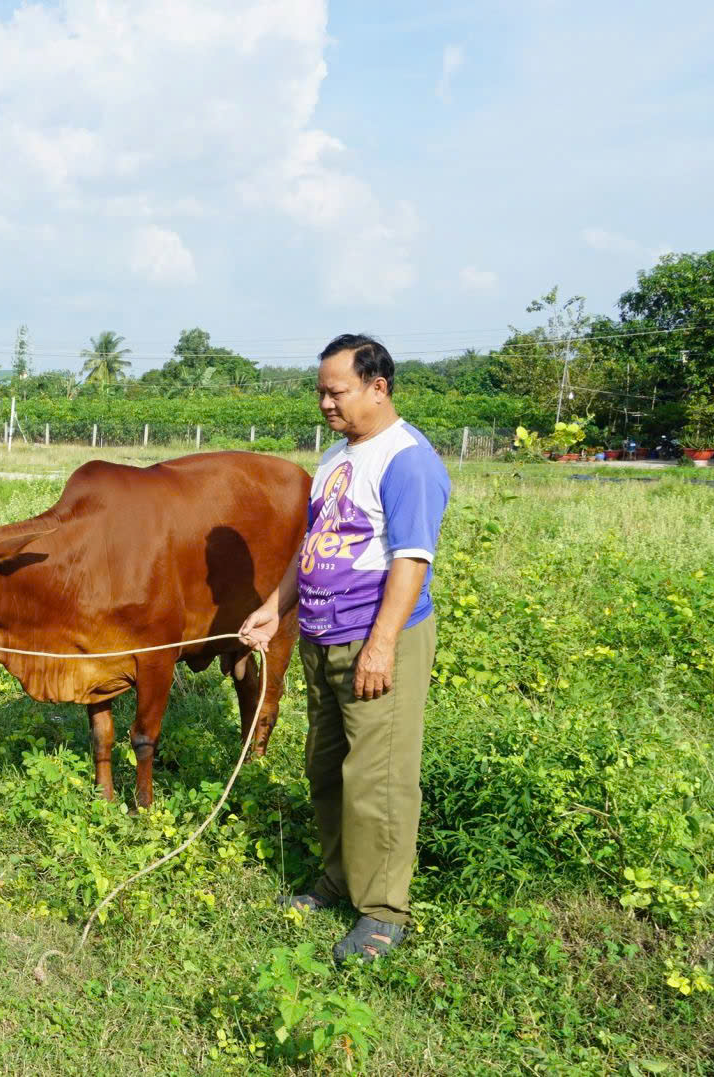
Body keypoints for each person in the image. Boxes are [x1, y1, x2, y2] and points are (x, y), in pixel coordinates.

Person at [240, 333, 451, 965]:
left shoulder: (407, 460)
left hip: (375, 638)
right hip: (322, 636)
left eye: (337, 391)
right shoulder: (338, 456)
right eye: (321, 392)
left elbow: (412, 559)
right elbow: (311, 546)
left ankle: (383, 912)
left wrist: (382, 646)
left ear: (377, 387)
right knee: (327, 767)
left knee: (377, 778)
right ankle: (338, 877)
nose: (325, 403)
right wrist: (273, 611)